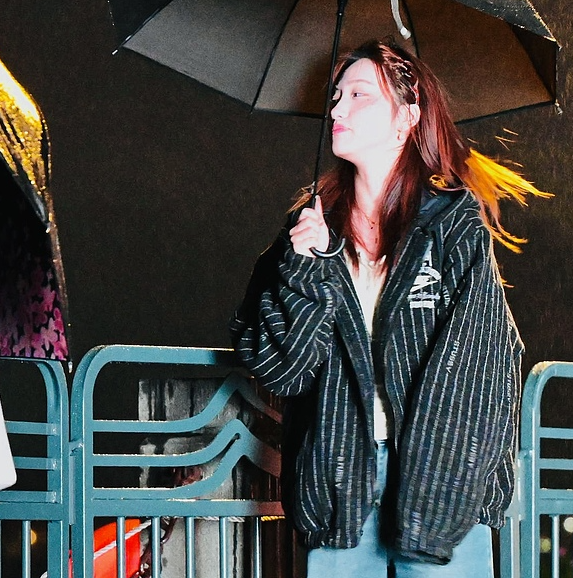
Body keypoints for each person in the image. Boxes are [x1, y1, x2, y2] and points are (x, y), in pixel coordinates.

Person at [230, 40, 547, 578]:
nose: (336, 109)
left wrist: (438, 499)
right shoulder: (308, 232)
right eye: (335, 96)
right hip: (339, 489)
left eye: (359, 95)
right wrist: (304, 268)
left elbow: (481, 364)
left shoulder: (450, 226)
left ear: (408, 116)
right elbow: (281, 369)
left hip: (442, 484)